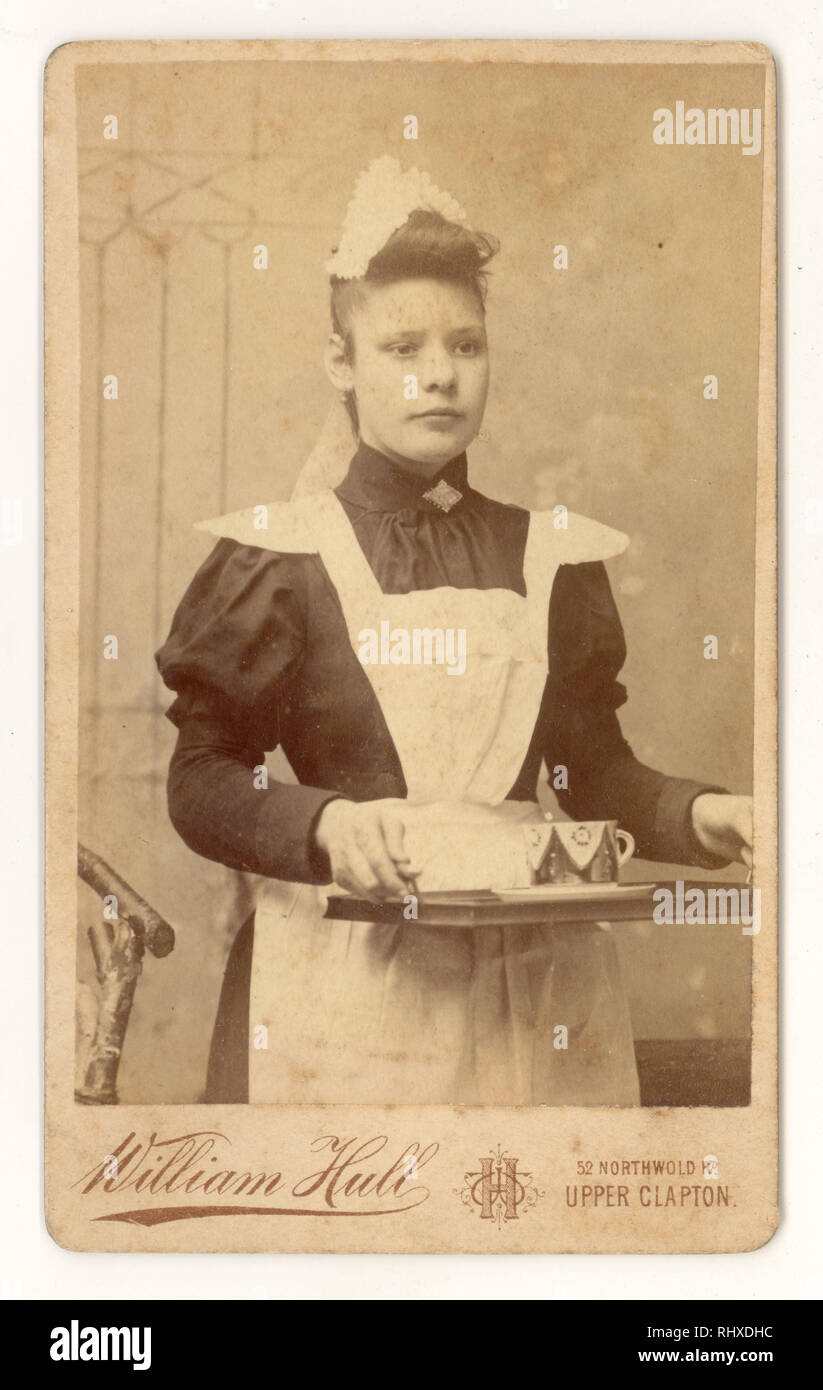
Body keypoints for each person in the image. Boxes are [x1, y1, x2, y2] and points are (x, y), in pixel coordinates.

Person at [156, 157, 753, 1107]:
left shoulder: (551, 555)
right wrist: (326, 824)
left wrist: (703, 815)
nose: (439, 375)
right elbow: (201, 781)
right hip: (343, 983)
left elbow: (589, 772)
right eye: (401, 348)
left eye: (465, 346)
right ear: (341, 364)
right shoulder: (280, 556)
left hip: (539, 985)